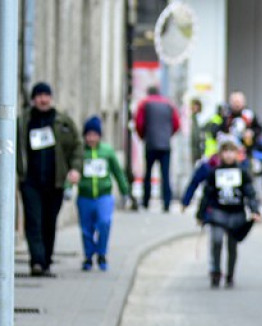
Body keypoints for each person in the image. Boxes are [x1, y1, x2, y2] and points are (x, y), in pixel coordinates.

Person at [17, 81, 83, 276]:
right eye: (39, 96)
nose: (43, 100)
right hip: (30, 181)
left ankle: (46, 260)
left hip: (55, 181)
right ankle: (36, 261)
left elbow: (77, 147)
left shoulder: (63, 122)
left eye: (46, 96)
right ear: (33, 99)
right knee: (33, 221)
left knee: (49, 221)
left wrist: (75, 169)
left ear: (51, 98)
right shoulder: (24, 121)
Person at [181, 135, 261, 288]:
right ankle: (215, 272)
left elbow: (250, 193)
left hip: (236, 213)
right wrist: (200, 214)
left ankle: (230, 274)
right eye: (225, 151)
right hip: (218, 213)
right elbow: (207, 195)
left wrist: (254, 210)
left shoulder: (242, 173)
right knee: (216, 240)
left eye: (232, 151)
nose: (229, 155)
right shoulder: (214, 172)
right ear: (220, 153)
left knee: (232, 245)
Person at [76, 116, 131, 272]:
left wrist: (125, 191)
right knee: (86, 228)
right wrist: (68, 186)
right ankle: (88, 255)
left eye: (95, 135)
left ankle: (101, 253)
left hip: (103, 195)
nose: (91, 138)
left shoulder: (107, 151)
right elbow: (73, 171)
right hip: (85, 196)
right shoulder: (80, 152)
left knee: (104, 223)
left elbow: (117, 172)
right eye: (88, 135)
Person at [135, 85, 181, 212]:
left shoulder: (144, 104)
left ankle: (146, 201)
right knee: (165, 174)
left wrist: (143, 135)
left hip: (150, 143)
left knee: (148, 173)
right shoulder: (168, 104)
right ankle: (166, 202)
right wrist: (167, 134)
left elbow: (139, 123)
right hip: (165, 144)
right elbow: (176, 123)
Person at [189, 98, 205, 165]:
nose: (195, 107)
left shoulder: (201, 118)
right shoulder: (189, 118)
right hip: (191, 146)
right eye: (194, 105)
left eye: (197, 106)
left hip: (198, 147)